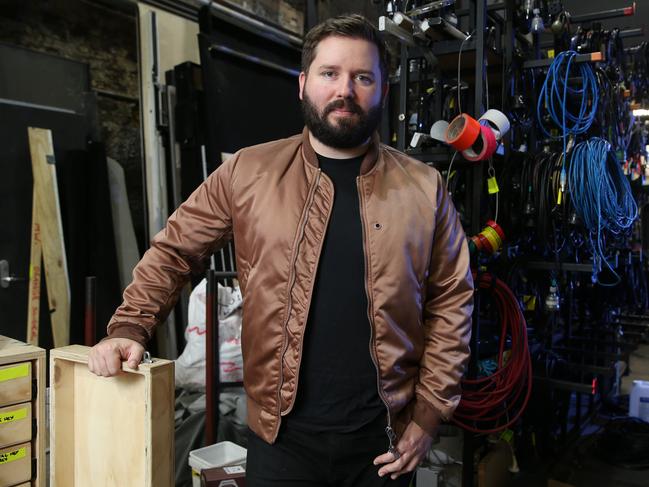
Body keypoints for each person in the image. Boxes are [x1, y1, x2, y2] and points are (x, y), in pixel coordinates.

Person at [89, 13, 473, 486]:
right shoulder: (249, 172)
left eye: (363, 77)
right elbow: (174, 250)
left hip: (383, 446)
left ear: (383, 89)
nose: (345, 90)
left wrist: (428, 418)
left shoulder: (424, 187)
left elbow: (452, 302)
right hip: (280, 443)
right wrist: (130, 324)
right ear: (303, 83)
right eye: (330, 73)